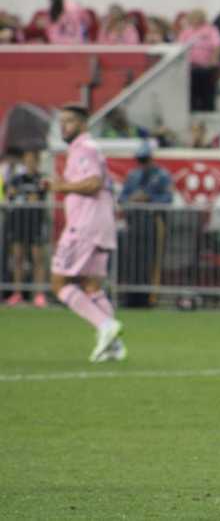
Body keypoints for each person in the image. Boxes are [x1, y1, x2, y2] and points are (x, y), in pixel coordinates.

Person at [47, 105, 125, 363]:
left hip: (84, 226)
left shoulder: (84, 148)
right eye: (62, 121)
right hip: (100, 225)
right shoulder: (88, 149)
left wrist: (61, 186)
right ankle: (114, 346)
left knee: (59, 283)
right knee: (91, 286)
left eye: (69, 121)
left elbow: (93, 183)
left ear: (83, 124)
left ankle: (105, 326)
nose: (63, 127)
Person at [118, 143, 172, 308]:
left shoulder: (162, 175)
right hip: (133, 222)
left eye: (144, 160)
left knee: (150, 259)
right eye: (139, 160)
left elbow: (167, 199)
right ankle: (131, 297)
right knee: (131, 260)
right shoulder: (132, 175)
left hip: (154, 222)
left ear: (151, 158)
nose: (142, 164)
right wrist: (132, 200)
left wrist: (148, 199)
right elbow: (122, 198)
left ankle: (148, 298)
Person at [5, 149, 48, 308]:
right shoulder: (17, 179)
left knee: (38, 259)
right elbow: (9, 194)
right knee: (17, 258)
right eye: (27, 160)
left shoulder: (41, 179)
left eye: (33, 160)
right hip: (18, 222)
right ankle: (17, 294)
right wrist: (12, 193)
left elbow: (40, 195)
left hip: (35, 223)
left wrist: (33, 196)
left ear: (37, 162)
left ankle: (39, 294)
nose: (30, 164)